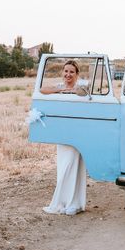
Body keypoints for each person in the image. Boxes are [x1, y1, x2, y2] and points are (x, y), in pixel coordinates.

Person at [40, 60, 87, 216]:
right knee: (63, 166)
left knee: (73, 165)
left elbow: (85, 95)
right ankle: (62, 201)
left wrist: (74, 91)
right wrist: (59, 92)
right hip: (62, 132)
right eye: (66, 71)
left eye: (71, 72)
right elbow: (42, 90)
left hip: (77, 132)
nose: (68, 74)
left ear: (77, 74)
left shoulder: (80, 88)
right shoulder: (59, 87)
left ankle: (74, 203)